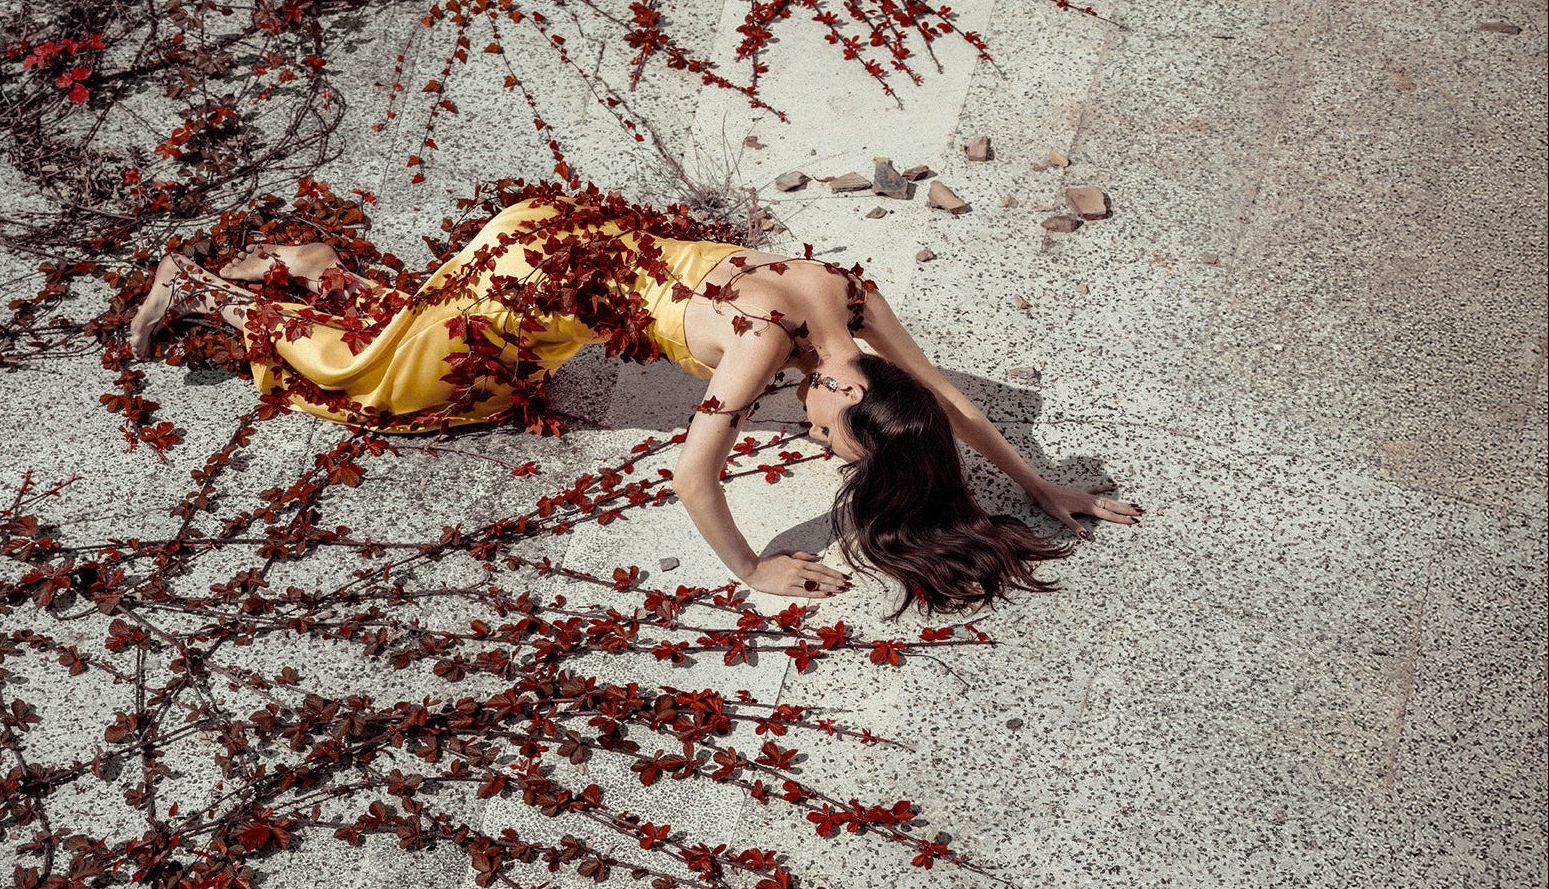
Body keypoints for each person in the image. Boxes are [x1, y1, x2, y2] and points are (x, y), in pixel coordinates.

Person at [128, 190, 1141, 608]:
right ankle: (204, 287)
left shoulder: (846, 293)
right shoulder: (761, 345)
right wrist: (756, 570)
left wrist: (1043, 486)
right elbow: (693, 475)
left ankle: (315, 267)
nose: (824, 447)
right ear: (835, 390)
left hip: (571, 244)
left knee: (436, 358)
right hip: (540, 281)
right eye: (835, 442)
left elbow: (941, 400)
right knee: (386, 379)